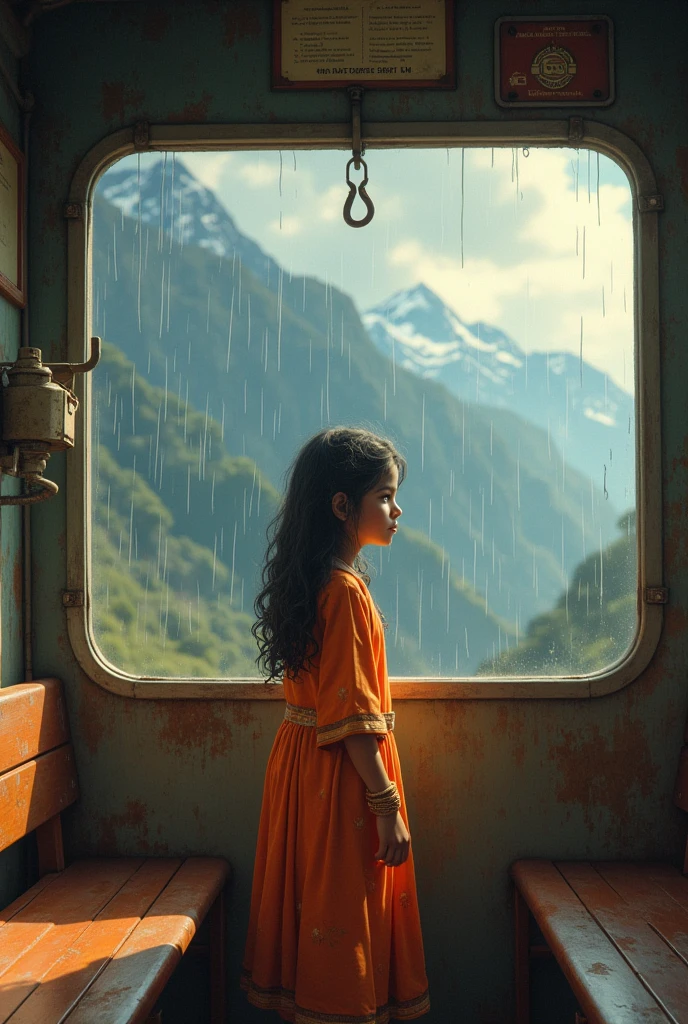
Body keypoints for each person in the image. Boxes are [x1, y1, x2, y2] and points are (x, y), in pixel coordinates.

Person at [241, 427, 429, 1024]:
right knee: (345, 912)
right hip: (341, 777)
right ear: (342, 506)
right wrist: (386, 803)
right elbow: (349, 718)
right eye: (384, 497)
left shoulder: (315, 579)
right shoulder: (345, 592)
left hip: (302, 764)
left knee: (312, 909)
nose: (397, 511)